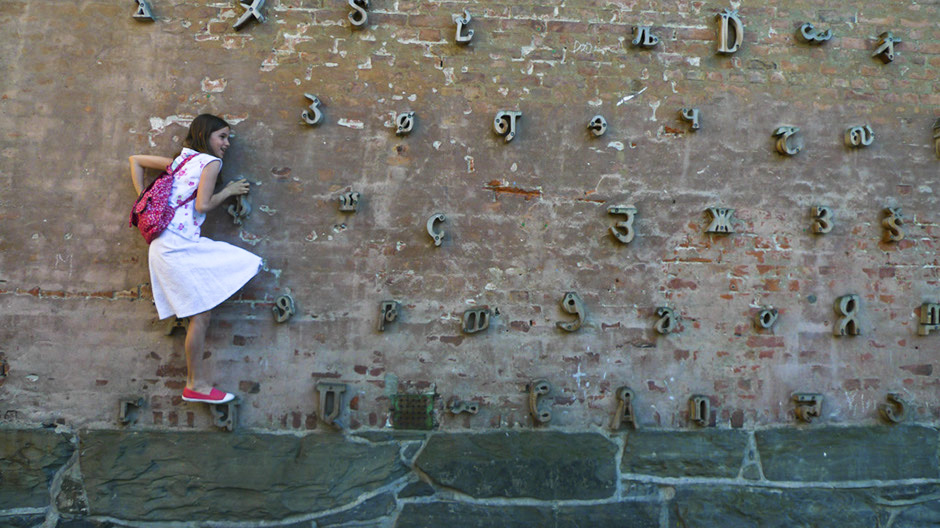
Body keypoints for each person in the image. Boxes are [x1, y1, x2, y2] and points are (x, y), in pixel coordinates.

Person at [129, 114, 261, 404]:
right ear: (205, 135)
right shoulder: (210, 162)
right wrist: (228, 191)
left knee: (201, 315)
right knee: (204, 311)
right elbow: (203, 205)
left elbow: (136, 160)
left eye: (228, 138)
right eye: (222, 137)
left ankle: (195, 384)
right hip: (178, 245)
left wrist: (143, 199)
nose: (226, 144)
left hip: (171, 244)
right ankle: (195, 385)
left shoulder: (181, 161)